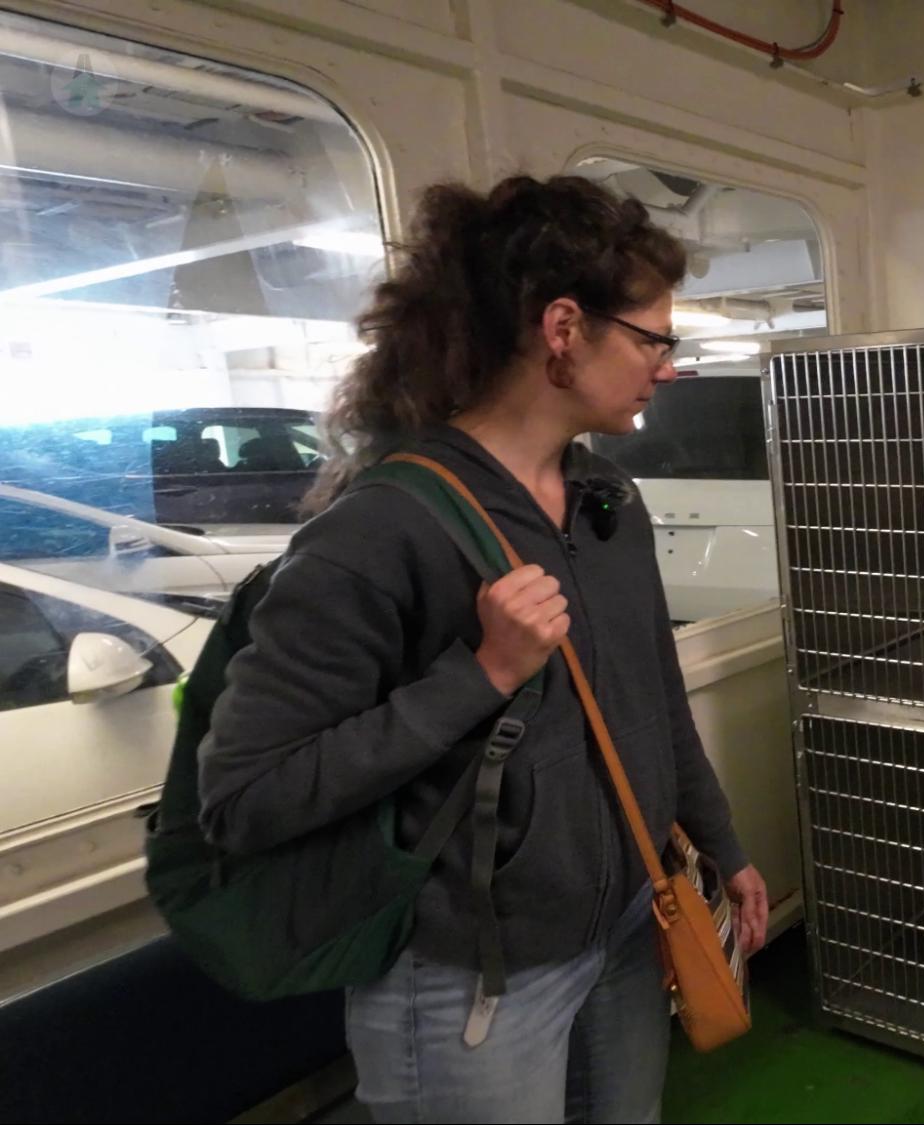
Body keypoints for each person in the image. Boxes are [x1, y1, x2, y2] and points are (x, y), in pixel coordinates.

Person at [197, 174, 768, 1123]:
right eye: (652, 339)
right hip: (469, 981)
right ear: (561, 330)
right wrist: (482, 675)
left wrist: (721, 844)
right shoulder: (382, 529)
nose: (666, 366)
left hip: (629, 925)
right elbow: (246, 797)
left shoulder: (606, 502)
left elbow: (653, 700)